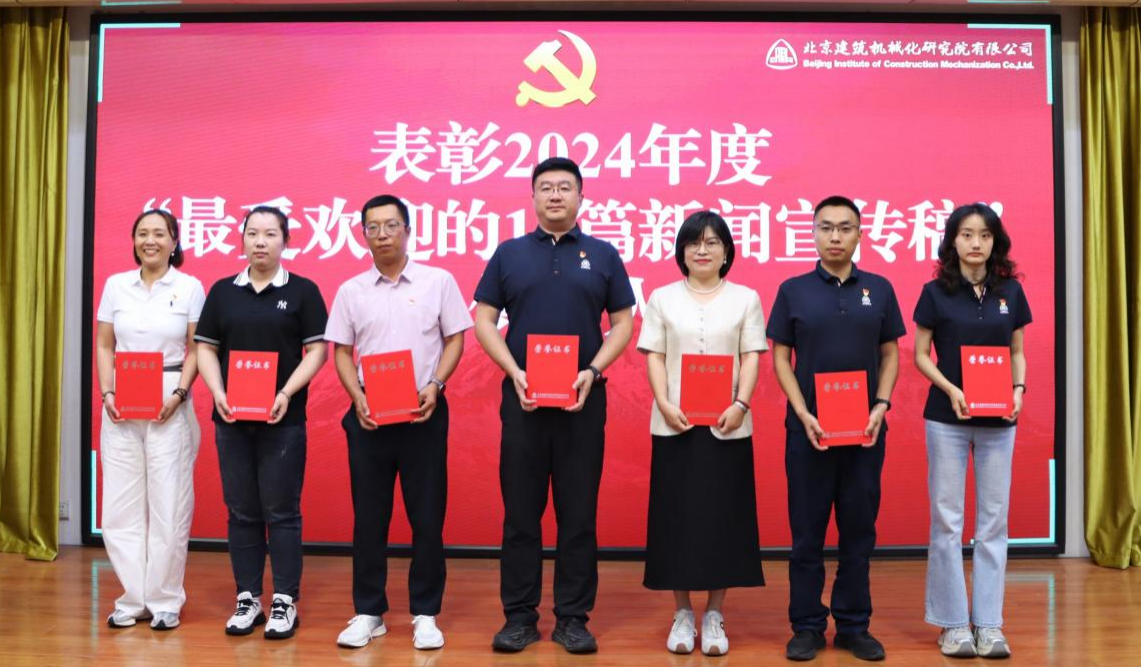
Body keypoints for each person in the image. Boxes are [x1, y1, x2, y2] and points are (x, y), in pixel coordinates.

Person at [473, 157, 635, 654]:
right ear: (533, 197)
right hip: (522, 402)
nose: (556, 195)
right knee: (521, 515)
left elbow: (623, 324)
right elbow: (484, 319)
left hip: (582, 403)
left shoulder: (603, 255)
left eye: (565, 187)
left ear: (581, 197)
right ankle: (519, 617)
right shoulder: (509, 254)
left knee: (578, 515)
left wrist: (594, 371)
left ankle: (573, 618)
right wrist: (513, 371)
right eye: (546, 187)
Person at [325, 195, 473, 650]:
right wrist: (357, 398)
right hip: (369, 414)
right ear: (363, 235)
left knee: (427, 517)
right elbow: (342, 352)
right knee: (369, 518)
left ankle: (425, 613)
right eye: (373, 227)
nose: (383, 234)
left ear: (408, 231)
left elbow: (455, 339)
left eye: (391, 225)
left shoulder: (437, 281)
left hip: (423, 412)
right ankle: (369, 612)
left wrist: (437, 385)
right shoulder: (351, 290)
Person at [768, 195, 906, 662]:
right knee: (807, 535)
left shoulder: (880, 289)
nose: (835, 236)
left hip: (865, 432)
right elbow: (780, 357)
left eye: (845, 228)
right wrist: (802, 411)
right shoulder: (793, 290)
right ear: (812, 233)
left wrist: (881, 405)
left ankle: (853, 625)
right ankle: (806, 626)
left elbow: (890, 353)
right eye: (826, 227)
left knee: (858, 532)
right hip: (809, 432)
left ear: (860, 234)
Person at [636, 211, 766, 656]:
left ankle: (713, 614)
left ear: (726, 251)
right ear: (682, 251)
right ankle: (681, 613)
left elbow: (751, 355)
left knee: (722, 519)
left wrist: (740, 404)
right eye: (694, 243)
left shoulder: (746, 298)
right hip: (675, 424)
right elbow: (654, 355)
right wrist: (664, 403)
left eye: (712, 242)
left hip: (729, 425)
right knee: (677, 519)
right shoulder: (662, 298)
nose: (703, 250)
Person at [195, 205, 328, 640]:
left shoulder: (303, 291)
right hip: (231, 418)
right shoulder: (222, 291)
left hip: (282, 420)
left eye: (270, 234)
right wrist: (217, 391)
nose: (260, 242)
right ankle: (248, 597)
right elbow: (206, 348)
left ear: (285, 240)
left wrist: (286, 393)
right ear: (242, 239)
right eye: (252, 233)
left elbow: (318, 351)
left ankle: (285, 599)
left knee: (282, 511)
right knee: (241, 511)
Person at [913, 203, 1030, 659]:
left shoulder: (1010, 291)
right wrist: (951, 388)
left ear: (994, 241)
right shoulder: (935, 292)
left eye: (984, 234)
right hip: (947, 417)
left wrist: (1018, 390)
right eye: (966, 234)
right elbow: (921, 354)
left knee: (993, 522)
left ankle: (989, 623)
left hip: (1000, 420)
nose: (975, 243)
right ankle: (953, 624)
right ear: (953, 241)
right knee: (947, 520)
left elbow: (1016, 351)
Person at [96, 209, 205, 631]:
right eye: (142, 233)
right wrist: (107, 392)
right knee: (119, 504)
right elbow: (105, 345)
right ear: (134, 241)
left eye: (160, 233)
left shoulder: (189, 287)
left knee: (168, 503)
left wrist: (180, 394)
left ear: (174, 241)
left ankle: (164, 600)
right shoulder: (116, 285)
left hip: (169, 397)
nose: (150, 241)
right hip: (122, 399)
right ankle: (132, 598)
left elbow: (197, 348)